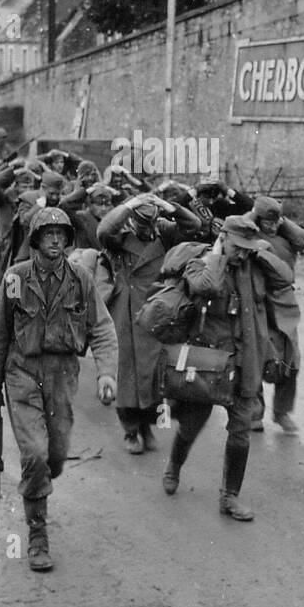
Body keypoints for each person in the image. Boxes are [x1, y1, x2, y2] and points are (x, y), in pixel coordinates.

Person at [0, 208, 118, 572]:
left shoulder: (81, 279)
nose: (55, 240)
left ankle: (40, 478)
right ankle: (38, 534)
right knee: (36, 454)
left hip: (62, 375)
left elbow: (102, 329)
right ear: (36, 240)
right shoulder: (15, 278)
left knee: (55, 455)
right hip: (22, 372)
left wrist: (107, 374)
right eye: (48, 234)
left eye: (61, 234)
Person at [163, 214, 299, 521]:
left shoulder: (254, 265)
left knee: (240, 432)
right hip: (210, 363)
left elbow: (285, 277)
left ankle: (230, 496)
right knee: (191, 426)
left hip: (246, 361)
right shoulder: (201, 262)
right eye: (237, 246)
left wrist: (258, 250)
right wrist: (217, 254)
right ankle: (174, 465)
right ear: (223, 238)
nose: (241, 253)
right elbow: (205, 286)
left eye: (245, 247)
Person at [98, 190, 201, 455]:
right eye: (142, 224)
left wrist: (170, 207)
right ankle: (131, 430)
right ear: (131, 221)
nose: (148, 230)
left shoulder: (164, 233)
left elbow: (194, 226)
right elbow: (103, 230)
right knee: (128, 372)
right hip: (126, 309)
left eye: (152, 224)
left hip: (157, 309)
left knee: (154, 373)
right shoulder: (118, 239)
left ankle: (147, 427)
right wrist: (128, 204)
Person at [248, 195, 304, 434]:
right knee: (257, 357)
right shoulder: (249, 233)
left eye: (276, 222)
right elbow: (234, 229)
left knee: (291, 358)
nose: (272, 226)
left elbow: (303, 241)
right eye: (267, 222)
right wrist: (254, 216)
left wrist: (282, 221)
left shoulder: (287, 235)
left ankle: (282, 412)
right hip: (257, 302)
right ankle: (255, 413)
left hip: (284, 302)